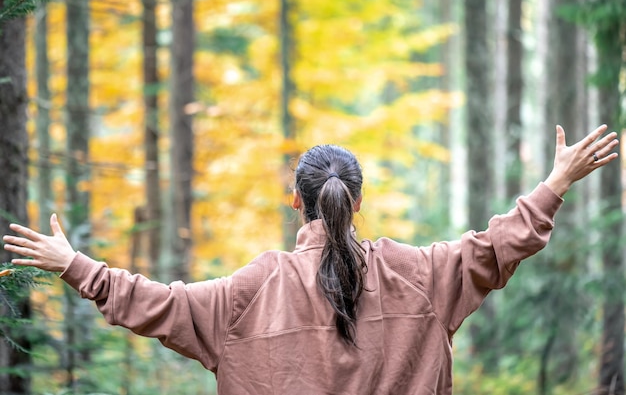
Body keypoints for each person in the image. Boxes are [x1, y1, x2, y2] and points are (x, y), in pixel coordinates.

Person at [3, 124, 619, 394]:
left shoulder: (249, 292)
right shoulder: (420, 275)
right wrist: (555, 183)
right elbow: (498, 246)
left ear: (296, 200)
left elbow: (154, 305)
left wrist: (72, 264)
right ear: (359, 200)